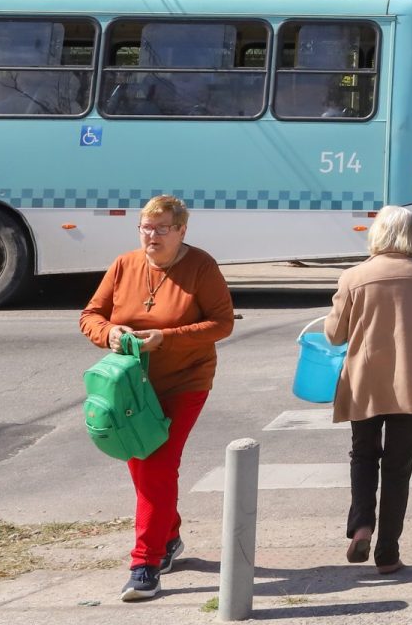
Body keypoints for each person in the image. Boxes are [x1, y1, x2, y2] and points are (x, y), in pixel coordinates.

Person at [78, 194, 236, 602]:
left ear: (182, 230)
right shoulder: (124, 265)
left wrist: (166, 338)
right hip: (129, 385)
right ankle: (168, 537)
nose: (152, 235)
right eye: (146, 227)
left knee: (155, 462)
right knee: (140, 463)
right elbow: (90, 315)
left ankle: (145, 565)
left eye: (162, 228)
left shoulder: (201, 266)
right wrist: (109, 333)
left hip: (184, 381)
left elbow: (221, 324)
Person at [324, 206, 412, 575]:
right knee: (398, 466)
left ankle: (362, 523)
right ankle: (388, 551)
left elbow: (335, 334)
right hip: (410, 379)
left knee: (363, 454)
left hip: (363, 380)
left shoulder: (354, 276)